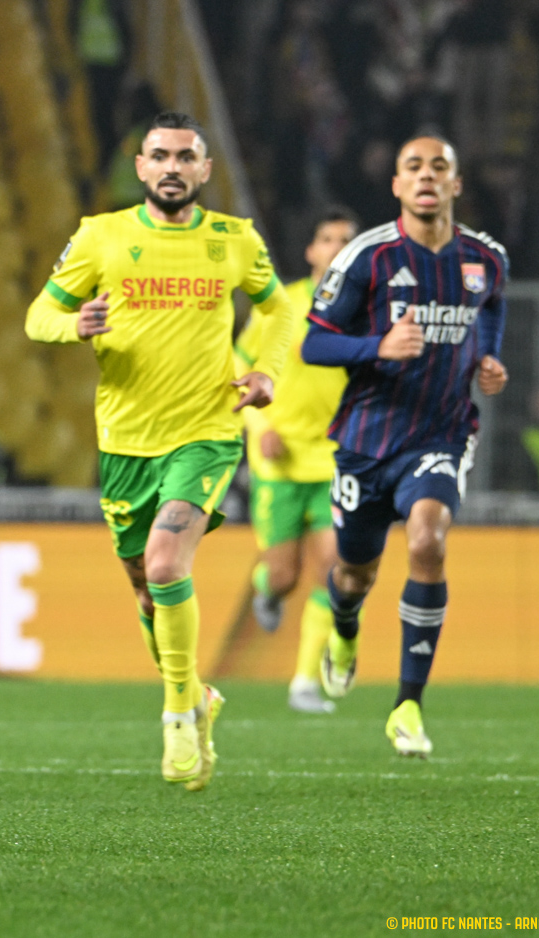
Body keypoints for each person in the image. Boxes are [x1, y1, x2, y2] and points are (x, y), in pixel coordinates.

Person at [25, 111, 296, 792]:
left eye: (185, 156)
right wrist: (74, 324)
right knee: (148, 591)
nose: (173, 167)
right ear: (141, 167)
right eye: (160, 156)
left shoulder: (234, 239)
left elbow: (279, 309)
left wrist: (267, 372)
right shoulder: (101, 236)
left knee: (168, 561)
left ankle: (177, 714)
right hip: (125, 443)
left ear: (205, 169)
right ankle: (197, 694)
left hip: (206, 432)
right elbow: (38, 316)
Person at [302, 135, 508, 757]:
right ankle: (344, 629)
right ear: (396, 185)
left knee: (427, 541)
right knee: (354, 574)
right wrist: (378, 347)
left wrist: (488, 358)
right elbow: (315, 343)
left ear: (456, 184)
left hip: (442, 433)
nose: (426, 176)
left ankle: (408, 705)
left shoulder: (486, 258)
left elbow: (491, 309)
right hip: (366, 442)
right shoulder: (367, 255)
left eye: (438, 167)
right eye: (413, 167)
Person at [234, 208, 358, 714]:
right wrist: (260, 427)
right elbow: (240, 366)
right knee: (284, 576)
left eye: (346, 240)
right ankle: (268, 590)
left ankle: (305, 682)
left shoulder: (368, 311)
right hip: (279, 464)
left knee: (335, 571)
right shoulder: (280, 306)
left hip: (335, 460)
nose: (336, 248)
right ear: (310, 250)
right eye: (327, 239)